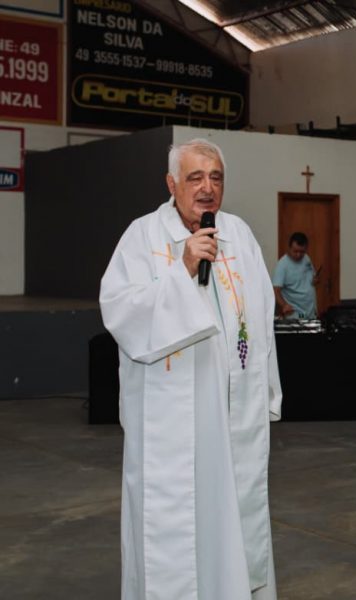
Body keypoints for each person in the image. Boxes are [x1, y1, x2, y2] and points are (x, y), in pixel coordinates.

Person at [100, 138, 281, 600]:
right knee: (174, 533)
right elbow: (119, 311)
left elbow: (261, 317)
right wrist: (182, 268)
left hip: (233, 413)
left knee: (233, 521)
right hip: (173, 417)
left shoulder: (239, 235)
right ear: (171, 183)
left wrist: (266, 393)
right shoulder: (142, 236)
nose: (207, 188)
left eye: (216, 177)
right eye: (195, 177)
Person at [272, 231, 319, 319]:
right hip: (296, 313)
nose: (298, 255)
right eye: (295, 251)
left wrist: (315, 280)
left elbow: (311, 279)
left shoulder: (306, 258)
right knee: (300, 326)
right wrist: (284, 305)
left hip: (310, 311)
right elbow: (275, 290)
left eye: (302, 252)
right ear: (289, 248)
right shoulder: (282, 265)